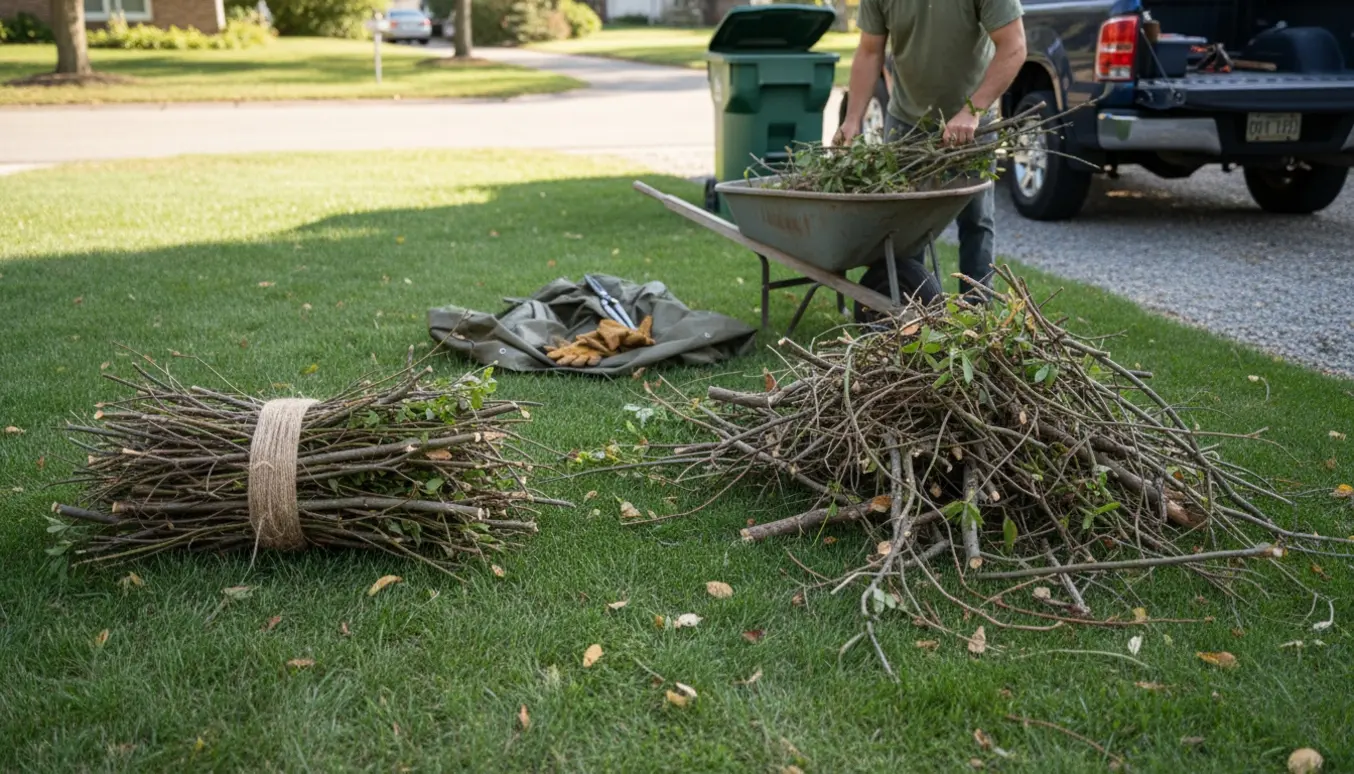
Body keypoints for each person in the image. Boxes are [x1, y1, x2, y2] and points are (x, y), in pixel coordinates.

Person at [835, 0, 1027, 307]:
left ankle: (976, 315)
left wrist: (972, 110)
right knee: (904, 224)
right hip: (906, 122)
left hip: (971, 122)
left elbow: (1014, 46)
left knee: (976, 220)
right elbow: (870, 51)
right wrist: (852, 118)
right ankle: (909, 312)